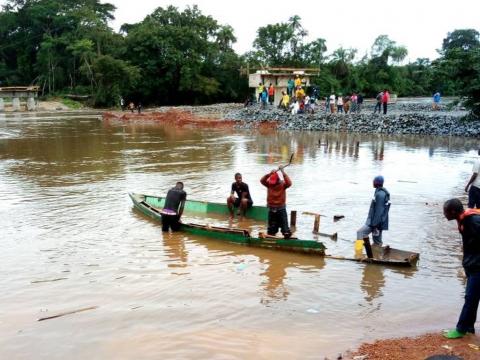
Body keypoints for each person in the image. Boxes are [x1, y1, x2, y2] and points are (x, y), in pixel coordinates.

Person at [442, 198, 480, 339]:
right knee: (472, 298)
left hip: (477, 267)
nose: (444, 214)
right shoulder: (465, 220)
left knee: (470, 298)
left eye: (445, 212)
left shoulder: (474, 222)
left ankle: (461, 329)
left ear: (452, 211)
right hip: (472, 265)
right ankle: (469, 327)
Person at [356, 176, 391, 251]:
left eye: (373, 181)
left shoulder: (380, 195)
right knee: (377, 241)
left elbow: (379, 211)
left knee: (360, 233)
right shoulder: (380, 192)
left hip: (375, 223)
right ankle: (375, 256)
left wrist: (375, 225)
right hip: (377, 222)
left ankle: (358, 252)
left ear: (376, 183)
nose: (372, 182)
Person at [260, 167, 292, 239]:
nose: (273, 184)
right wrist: (269, 174)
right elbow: (261, 180)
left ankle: (286, 237)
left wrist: (283, 172)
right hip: (271, 209)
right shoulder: (269, 184)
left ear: (278, 179)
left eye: (274, 182)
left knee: (285, 229)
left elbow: (289, 183)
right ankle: (271, 238)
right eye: (272, 182)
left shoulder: (283, 184)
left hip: (281, 208)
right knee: (271, 230)